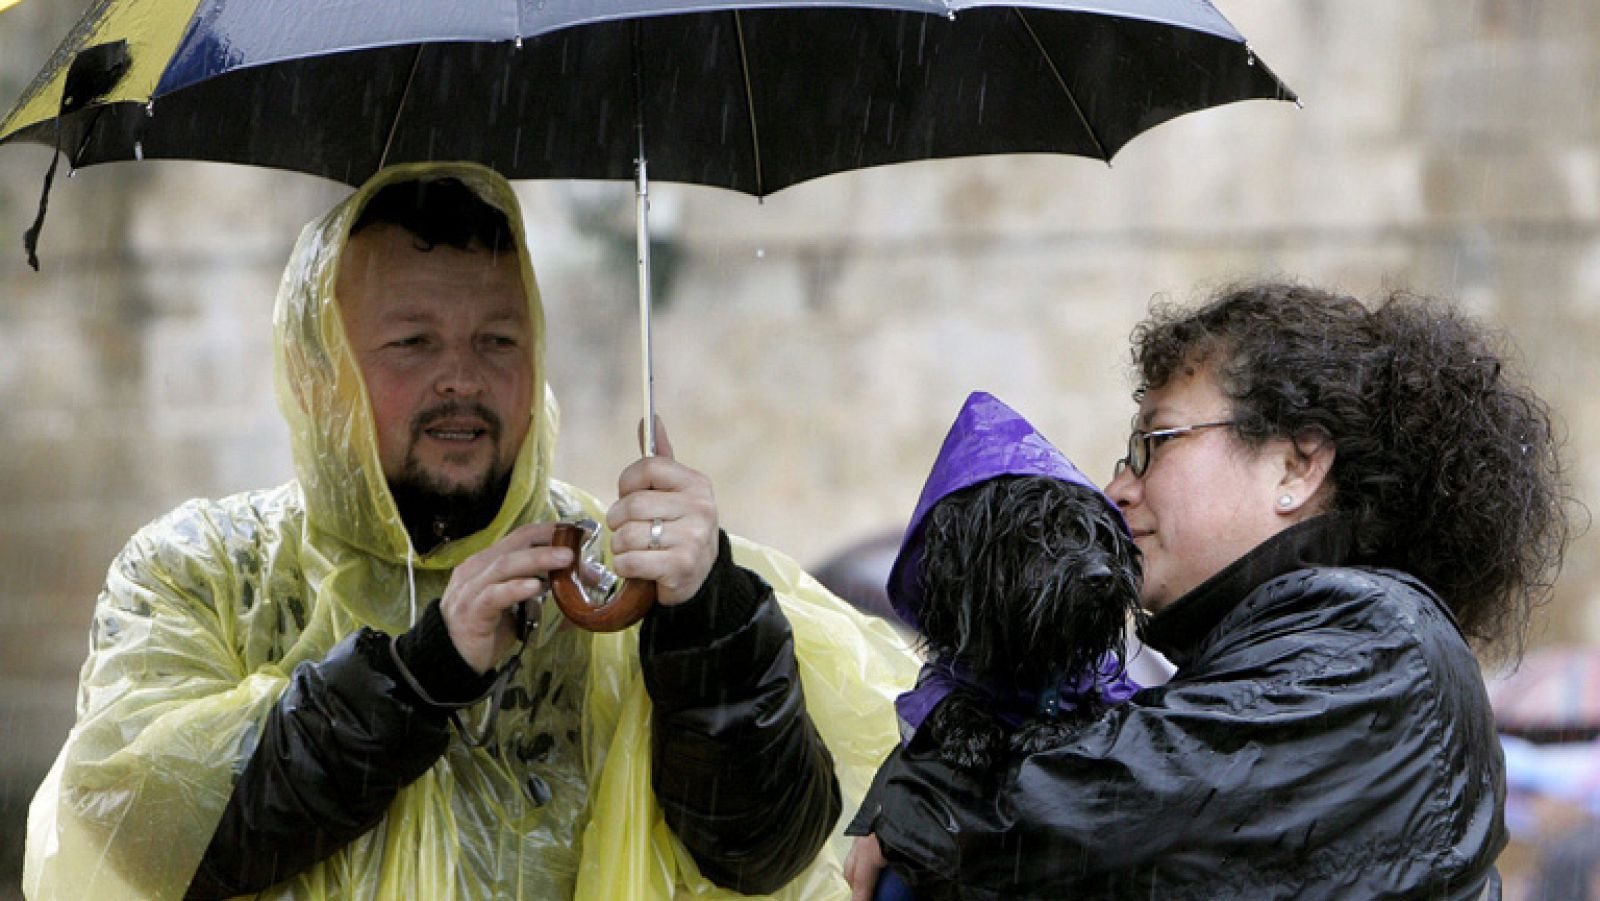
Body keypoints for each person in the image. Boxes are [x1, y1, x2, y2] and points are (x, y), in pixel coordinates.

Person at [23, 162, 917, 900]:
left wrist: (708, 629)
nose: (463, 378)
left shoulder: (627, 574)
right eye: (412, 343)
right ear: (321, 376)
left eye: (498, 340)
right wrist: (421, 674)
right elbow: (142, 838)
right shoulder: (199, 572)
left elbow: (766, 854)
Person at [845, 281, 1572, 899]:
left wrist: (924, 806)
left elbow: (1100, 809)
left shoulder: (1383, 644)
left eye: (1153, 444)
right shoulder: (1297, 652)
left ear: (1295, 466)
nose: (1116, 489)